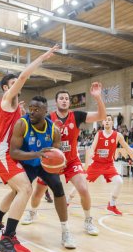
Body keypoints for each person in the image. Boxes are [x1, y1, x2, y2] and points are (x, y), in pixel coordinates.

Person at [0, 45, 58, 252]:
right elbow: (25, 75)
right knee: (26, 189)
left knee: (18, 189)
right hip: (1, 153)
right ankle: (7, 239)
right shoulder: (7, 100)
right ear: (6, 89)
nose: (17, 85)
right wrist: (43, 57)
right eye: (13, 83)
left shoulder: (15, 107)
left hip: (6, 152)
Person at [23, 82, 106, 236]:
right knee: (38, 194)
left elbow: (101, 116)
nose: (64, 100)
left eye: (67, 98)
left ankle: (88, 221)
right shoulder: (48, 118)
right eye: (61, 98)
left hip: (71, 161)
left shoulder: (77, 116)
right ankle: (32, 212)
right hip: (51, 162)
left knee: (83, 189)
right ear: (56, 102)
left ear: (69, 102)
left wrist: (98, 97)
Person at [9, 95, 76, 249]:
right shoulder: (22, 123)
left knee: (58, 188)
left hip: (44, 165)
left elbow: (56, 151)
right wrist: (37, 154)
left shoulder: (54, 130)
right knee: (18, 192)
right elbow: (14, 152)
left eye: (36, 110)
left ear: (45, 111)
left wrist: (59, 159)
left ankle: (65, 231)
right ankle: (8, 230)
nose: (31, 112)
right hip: (27, 163)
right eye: (30, 109)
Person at [67, 115, 133, 215]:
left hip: (108, 165)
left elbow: (128, 149)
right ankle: (67, 201)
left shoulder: (118, 135)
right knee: (81, 184)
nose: (107, 121)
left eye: (109, 120)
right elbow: (92, 147)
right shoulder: (99, 134)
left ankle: (112, 204)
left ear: (112, 123)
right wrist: (92, 152)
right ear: (102, 123)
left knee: (119, 181)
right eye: (105, 120)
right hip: (96, 164)